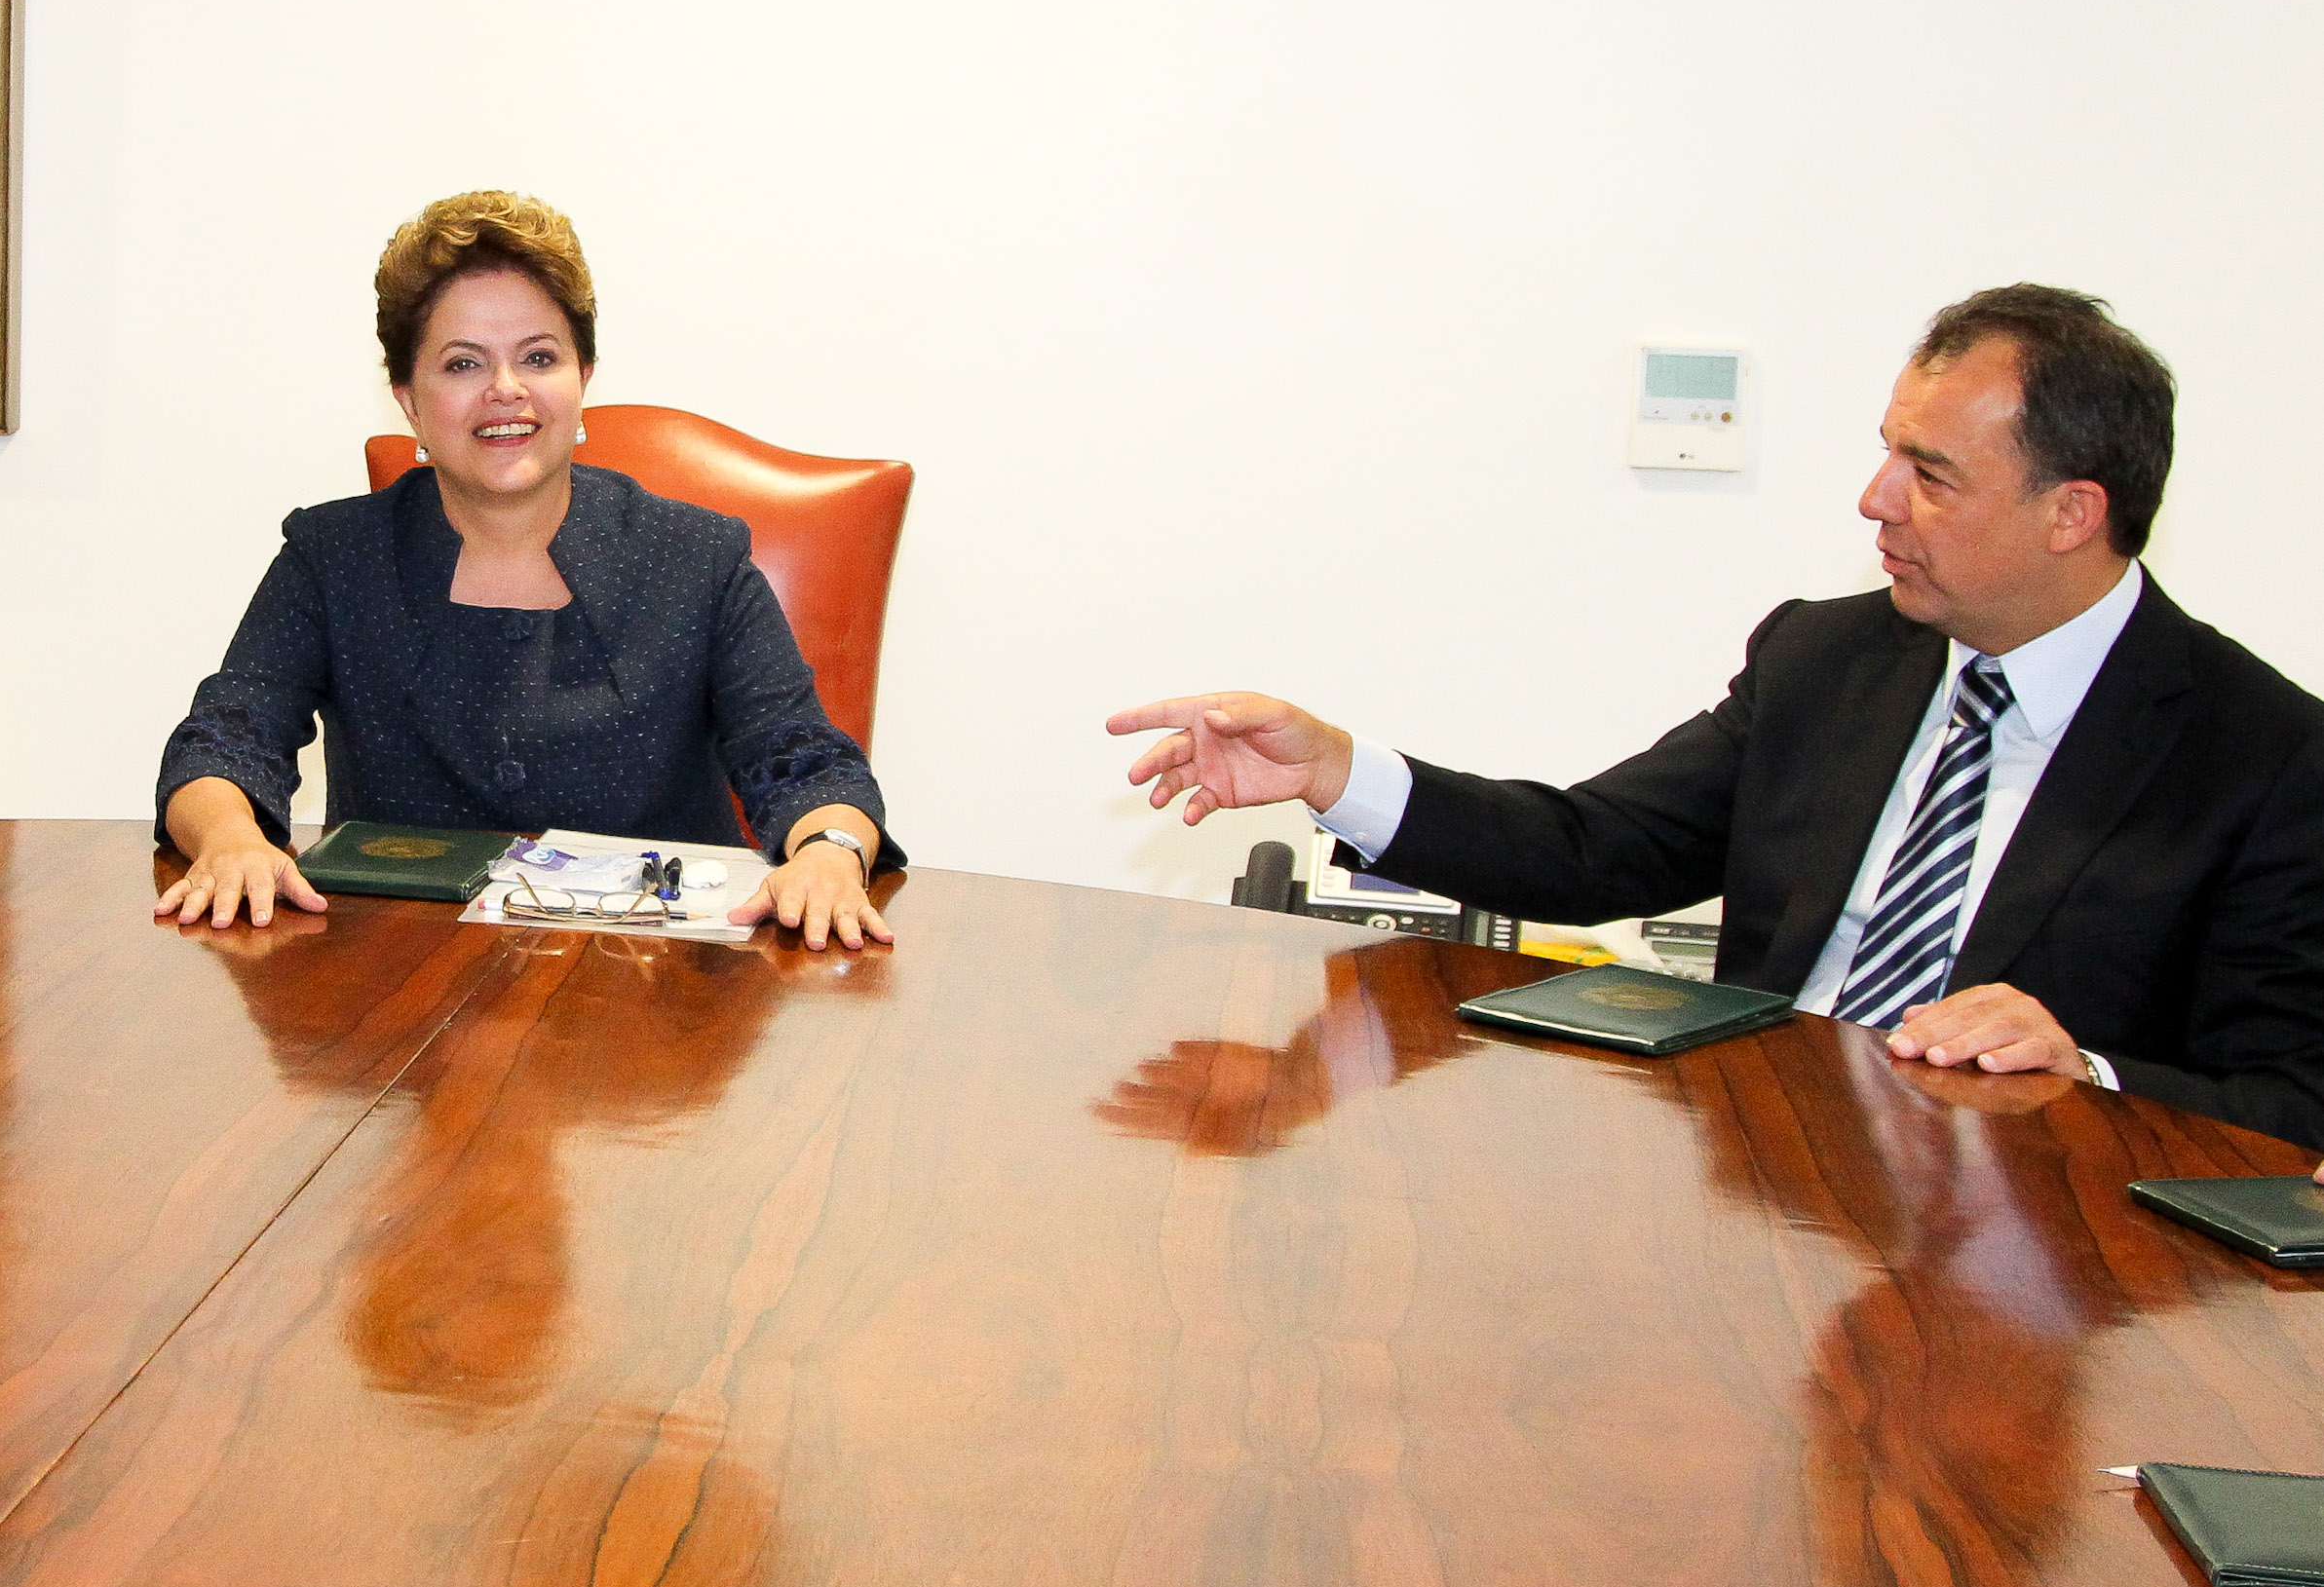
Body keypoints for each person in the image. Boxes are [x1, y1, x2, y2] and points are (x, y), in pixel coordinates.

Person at [1113, 284, 2324, 1152]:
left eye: (1930, 474)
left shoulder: (2265, 756)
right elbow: (1593, 848)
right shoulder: (1828, 656)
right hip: (1764, 1197)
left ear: (2070, 513)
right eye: (1885, 454)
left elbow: (2292, 1097)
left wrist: (2085, 1068)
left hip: (2043, 1272)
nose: (1874, 500)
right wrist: (1336, 771)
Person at [155, 191, 897, 947]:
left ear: (583, 378)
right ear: (409, 401)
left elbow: (803, 759)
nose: (505, 389)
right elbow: (224, 740)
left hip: (659, 998)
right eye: (463, 362)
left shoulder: (696, 559)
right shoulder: (334, 556)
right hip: (395, 988)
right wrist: (230, 838)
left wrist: (830, 854)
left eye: (538, 357)